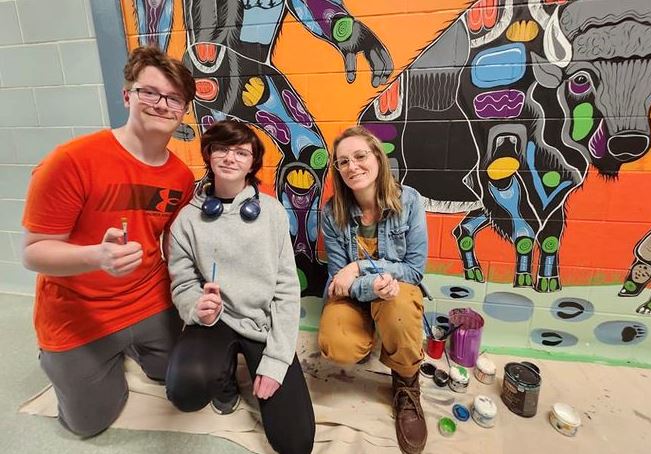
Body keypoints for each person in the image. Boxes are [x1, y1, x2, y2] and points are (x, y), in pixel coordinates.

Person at [21, 46, 197, 437]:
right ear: (127, 96)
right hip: (78, 313)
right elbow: (33, 253)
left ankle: (135, 349)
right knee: (89, 424)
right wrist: (96, 256)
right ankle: (62, 361)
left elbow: (171, 243)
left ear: (183, 110)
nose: (161, 104)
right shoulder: (72, 161)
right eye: (149, 92)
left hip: (149, 300)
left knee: (187, 383)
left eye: (173, 98)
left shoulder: (181, 177)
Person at [165, 120, 315, 454]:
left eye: (241, 152)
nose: (230, 158)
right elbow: (183, 282)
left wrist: (277, 361)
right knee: (184, 391)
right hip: (213, 321)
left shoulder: (273, 214)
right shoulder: (187, 220)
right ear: (209, 153)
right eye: (222, 148)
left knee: (296, 443)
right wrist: (195, 305)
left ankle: (254, 364)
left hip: (262, 323)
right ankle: (225, 382)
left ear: (252, 163)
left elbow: (287, 290)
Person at [318, 126, 429, 454]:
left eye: (360, 156)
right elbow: (338, 281)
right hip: (355, 294)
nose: (352, 166)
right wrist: (368, 284)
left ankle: (406, 381)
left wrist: (361, 268)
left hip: (396, 291)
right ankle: (366, 333)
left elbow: (413, 270)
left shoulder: (409, 201)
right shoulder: (332, 212)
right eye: (343, 162)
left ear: (378, 158)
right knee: (337, 344)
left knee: (396, 308)